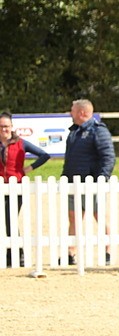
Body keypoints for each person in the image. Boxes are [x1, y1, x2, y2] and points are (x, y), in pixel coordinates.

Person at [63, 99, 116, 265]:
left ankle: (107, 251)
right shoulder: (74, 132)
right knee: (74, 218)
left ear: (81, 113)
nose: (70, 114)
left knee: (99, 216)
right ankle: (71, 253)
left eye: (72, 111)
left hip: (91, 183)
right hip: (73, 183)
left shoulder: (98, 131)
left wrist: (102, 178)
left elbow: (108, 156)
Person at [0, 111, 51, 267]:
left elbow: (44, 155)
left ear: (12, 127)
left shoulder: (21, 143)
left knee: (10, 220)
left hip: (17, 186)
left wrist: (28, 168)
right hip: (1, 185)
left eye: (6, 126)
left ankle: (17, 254)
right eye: (1, 127)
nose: (3, 130)